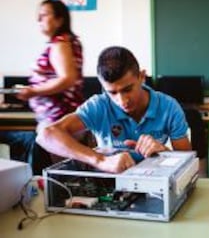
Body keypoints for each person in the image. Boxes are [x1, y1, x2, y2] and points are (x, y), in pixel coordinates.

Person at [37, 46, 192, 173]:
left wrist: (164, 152)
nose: (122, 101)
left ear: (142, 77)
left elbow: (187, 163)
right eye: (112, 92)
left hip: (155, 182)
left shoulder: (169, 107)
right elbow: (45, 135)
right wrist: (100, 160)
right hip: (111, 188)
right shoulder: (98, 105)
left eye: (128, 89)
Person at [0, 0, 83, 174]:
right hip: (60, 119)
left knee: (59, 174)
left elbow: (67, 78)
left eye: (44, 15)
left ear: (59, 19)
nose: (39, 19)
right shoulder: (66, 42)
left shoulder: (60, 44)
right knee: (63, 172)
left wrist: (33, 91)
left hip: (58, 120)